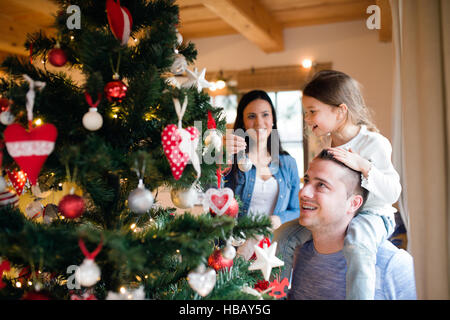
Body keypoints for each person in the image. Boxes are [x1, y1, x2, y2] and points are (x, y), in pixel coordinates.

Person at [276, 70, 402, 299]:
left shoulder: (374, 143)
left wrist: (364, 166)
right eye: (306, 112)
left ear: (340, 111)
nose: (307, 118)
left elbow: (393, 192)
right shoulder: (328, 144)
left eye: (312, 112)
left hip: (372, 214)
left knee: (357, 246)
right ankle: (276, 294)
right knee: (285, 236)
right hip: (337, 215)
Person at [287, 149, 416, 300]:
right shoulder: (298, 254)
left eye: (321, 185)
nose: (303, 193)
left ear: (353, 204)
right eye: (307, 181)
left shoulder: (393, 265)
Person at [223, 90, 300, 259]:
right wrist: (222, 155)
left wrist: (279, 218)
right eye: (251, 116)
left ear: (272, 119)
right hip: (236, 251)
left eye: (265, 115)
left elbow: (296, 209)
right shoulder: (233, 160)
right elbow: (214, 196)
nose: (259, 123)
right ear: (243, 122)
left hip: (273, 252)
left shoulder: (288, 163)